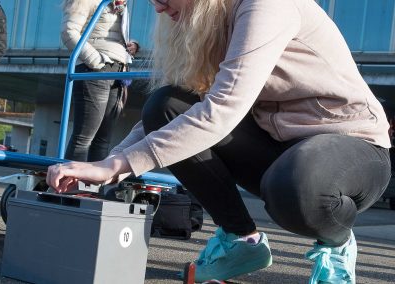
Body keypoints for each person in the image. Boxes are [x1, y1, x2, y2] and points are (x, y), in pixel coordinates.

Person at [47, 0, 391, 283]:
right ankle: (242, 240)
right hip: (280, 148)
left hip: (352, 147)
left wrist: (117, 166)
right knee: (166, 104)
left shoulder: (265, 7)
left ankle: (337, 241)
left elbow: (222, 110)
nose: (158, 7)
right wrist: (111, 163)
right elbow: (181, 113)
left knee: (298, 186)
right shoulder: (213, 24)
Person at [62, 0, 133, 162]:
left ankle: (94, 186)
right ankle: (72, 186)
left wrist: (129, 46)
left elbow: (108, 34)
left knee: (103, 141)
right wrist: (96, 61)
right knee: (84, 138)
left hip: (118, 70)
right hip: (94, 69)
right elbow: (68, 31)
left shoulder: (121, 4)